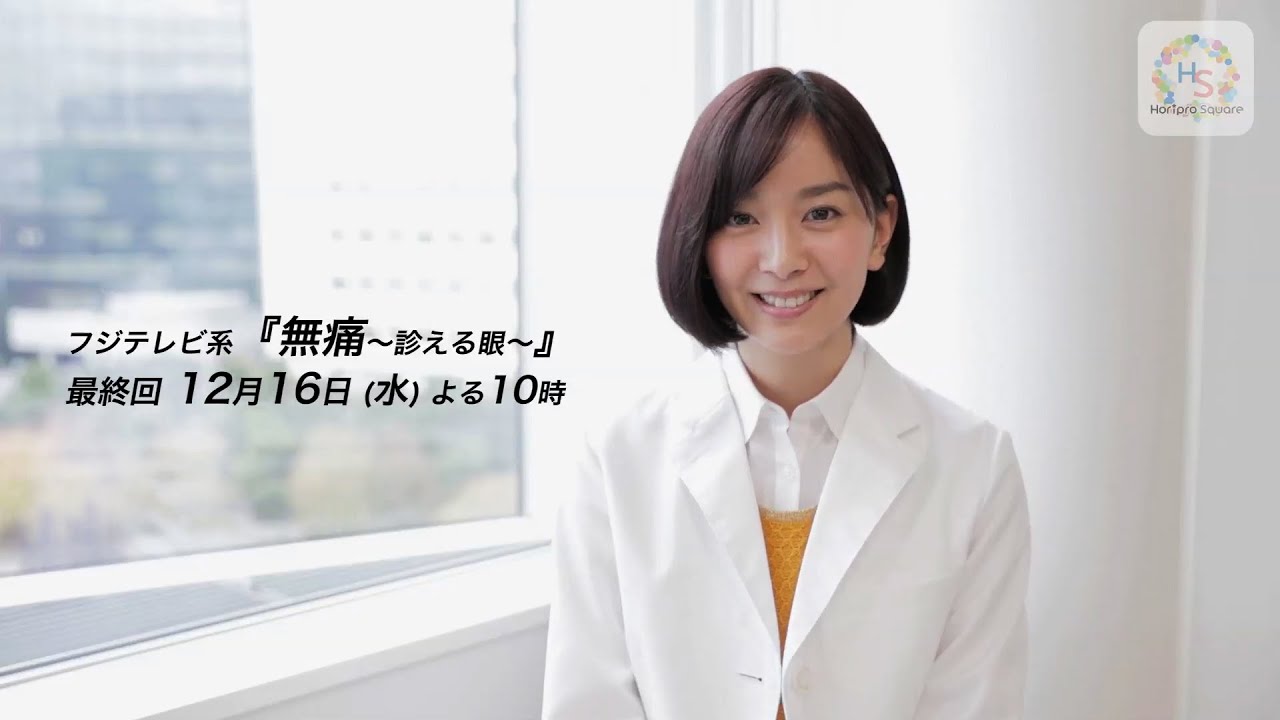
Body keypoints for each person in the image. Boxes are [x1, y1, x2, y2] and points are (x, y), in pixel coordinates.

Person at [541, 67, 1031, 720]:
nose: (782, 258)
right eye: (741, 217)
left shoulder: (975, 465)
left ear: (881, 230)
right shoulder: (617, 458)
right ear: (701, 240)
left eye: (820, 213)